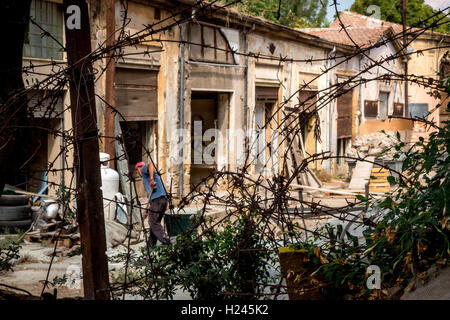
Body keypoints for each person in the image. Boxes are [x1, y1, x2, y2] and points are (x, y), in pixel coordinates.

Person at [135, 161, 170, 247]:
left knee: (153, 222)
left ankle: (166, 242)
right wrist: (147, 210)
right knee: (155, 222)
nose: (138, 173)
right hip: (161, 200)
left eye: (137, 170)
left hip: (158, 200)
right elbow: (151, 197)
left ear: (138, 168)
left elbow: (151, 164)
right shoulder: (145, 178)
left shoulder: (143, 170)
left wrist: (151, 179)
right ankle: (151, 244)